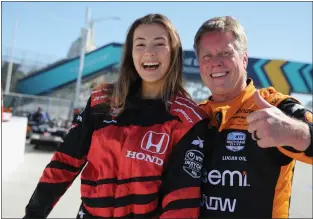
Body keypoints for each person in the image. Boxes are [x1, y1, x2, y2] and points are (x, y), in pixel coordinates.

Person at [24, 13, 212, 219]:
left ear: (174, 52)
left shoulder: (187, 119)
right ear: (130, 53)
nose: (149, 52)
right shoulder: (101, 100)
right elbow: (65, 162)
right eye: (140, 44)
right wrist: (33, 213)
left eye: (159, 44)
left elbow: (182, 199)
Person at [193, 16, 313, 218]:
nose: (216, 63)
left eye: (226, 53)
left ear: (244, 59)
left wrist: (295, 133)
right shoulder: (194, 115)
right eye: (207, 56)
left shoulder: (274, 106)